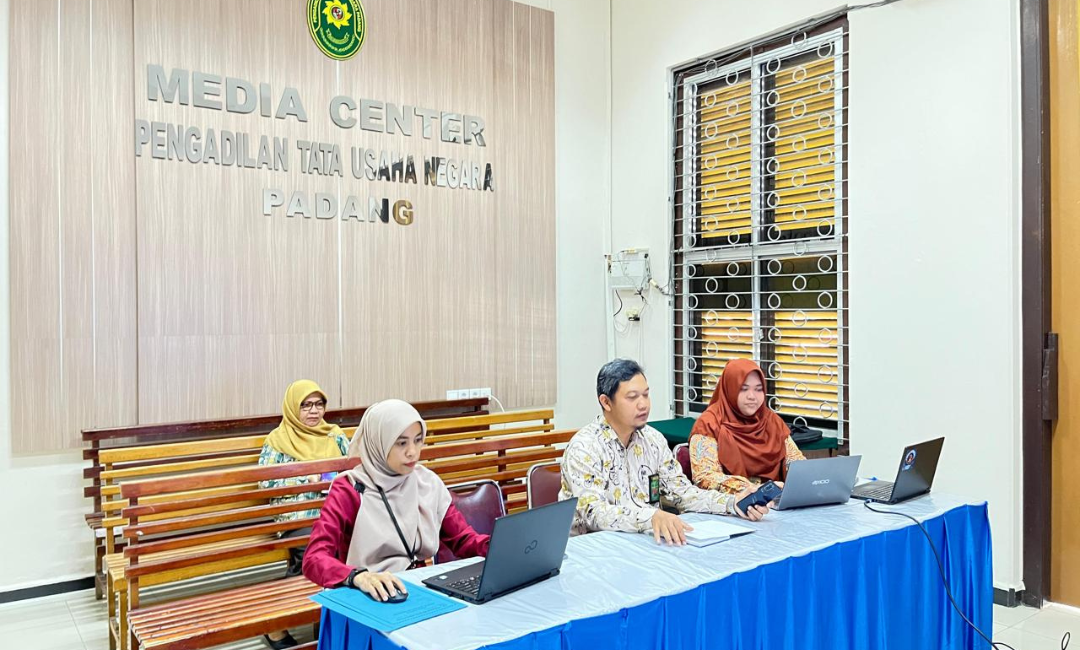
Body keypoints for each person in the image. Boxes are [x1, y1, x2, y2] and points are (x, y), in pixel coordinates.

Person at [558, 359, 771, 546]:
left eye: (646, 395)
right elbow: (593, 513)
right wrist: (650, 517)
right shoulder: (585, 448)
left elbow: (682, 493)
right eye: (632, 397)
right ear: (606, 402)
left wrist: (731, 503)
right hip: (593, 552)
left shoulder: (653, 440)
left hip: (644, 545)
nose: (643, 404)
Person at [302, 399, 490, 601]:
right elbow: (314, 559)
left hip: (415, 588)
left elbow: (463, 540)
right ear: (379, 443)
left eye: (418, 440)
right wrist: (357, 576)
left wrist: (500, 548)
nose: (413, 452)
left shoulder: (426, 482)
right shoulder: (350, 488)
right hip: (366, 593)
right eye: (401, 443)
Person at [258, 380, 348, 649]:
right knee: (312, 554)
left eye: (319, 404)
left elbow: (354, 468)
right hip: (297, 517)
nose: (314, 411)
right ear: (293, 408)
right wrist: (308, 479)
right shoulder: (278, 440)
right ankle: (275, 624)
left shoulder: (335, 435)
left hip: (335, 512)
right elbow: (266, 483)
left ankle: (325, 621)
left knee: (350, 546)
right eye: (306, 405)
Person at [689, 358, 805, 494]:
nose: (752, 396)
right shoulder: (709, 423)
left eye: (758, 389)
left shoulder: (771, 421)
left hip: (774, 504)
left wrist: (810, 477)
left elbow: (795, 462)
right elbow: (705, 477)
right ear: (730, 389)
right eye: (743, 389)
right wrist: (751, 490)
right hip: (729, 506)